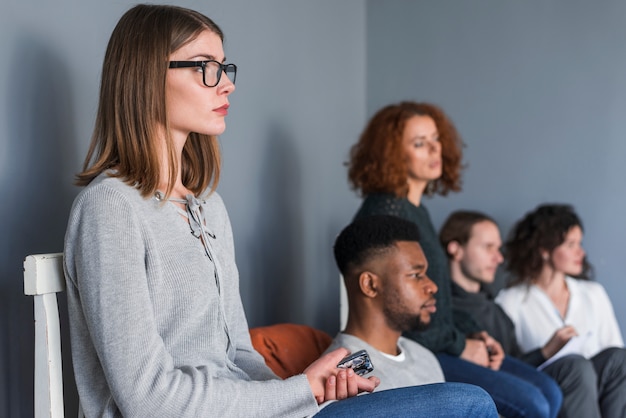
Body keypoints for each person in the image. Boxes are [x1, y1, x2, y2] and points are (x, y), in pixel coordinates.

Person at [60, 5, 457, 417]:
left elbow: (242, 358)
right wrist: (300, 391)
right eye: (204, 67)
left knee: (460, 403)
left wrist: (308, 396)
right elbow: (150, 400)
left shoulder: (210, 209)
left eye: (222, 67)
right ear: (145, 76)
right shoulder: (110, 208)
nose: (225, 85)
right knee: (467, 403)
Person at [347, 101, 562, 418]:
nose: (435, 150)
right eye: (420, 143)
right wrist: (461, 345)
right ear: (391, 153)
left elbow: (440, 293)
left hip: (443, 341)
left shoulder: (416, 210)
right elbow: (397, 309)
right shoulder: (386, 213)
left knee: (550, 391)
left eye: (436, 140)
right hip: (419, 348)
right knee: (534, 403)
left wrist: (476, 334)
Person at [326, 214, 499, 417]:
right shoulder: (344, 377)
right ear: (370, 285)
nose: (432, 286)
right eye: (416, 275)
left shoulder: (423, 355)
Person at [440, 209, 599, 418]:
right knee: (544, 396)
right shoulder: (441, 309)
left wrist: (545, 352)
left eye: (498, 249)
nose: (498, 258)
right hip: (475, 382)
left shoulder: (496, 311)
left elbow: (514, 363)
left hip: (524, 383)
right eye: (489, 248)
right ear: (456, 249)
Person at [497, 203, 626, 418]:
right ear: (545, 250)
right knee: (577, 367)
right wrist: (549, 350)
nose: (581, 252)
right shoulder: (511, 301)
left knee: (620, 358)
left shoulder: (593, 293)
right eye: (571, 244)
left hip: (596, 391)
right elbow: (506, 368)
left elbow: (615, 355)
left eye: (580, 244)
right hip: (552, 389)